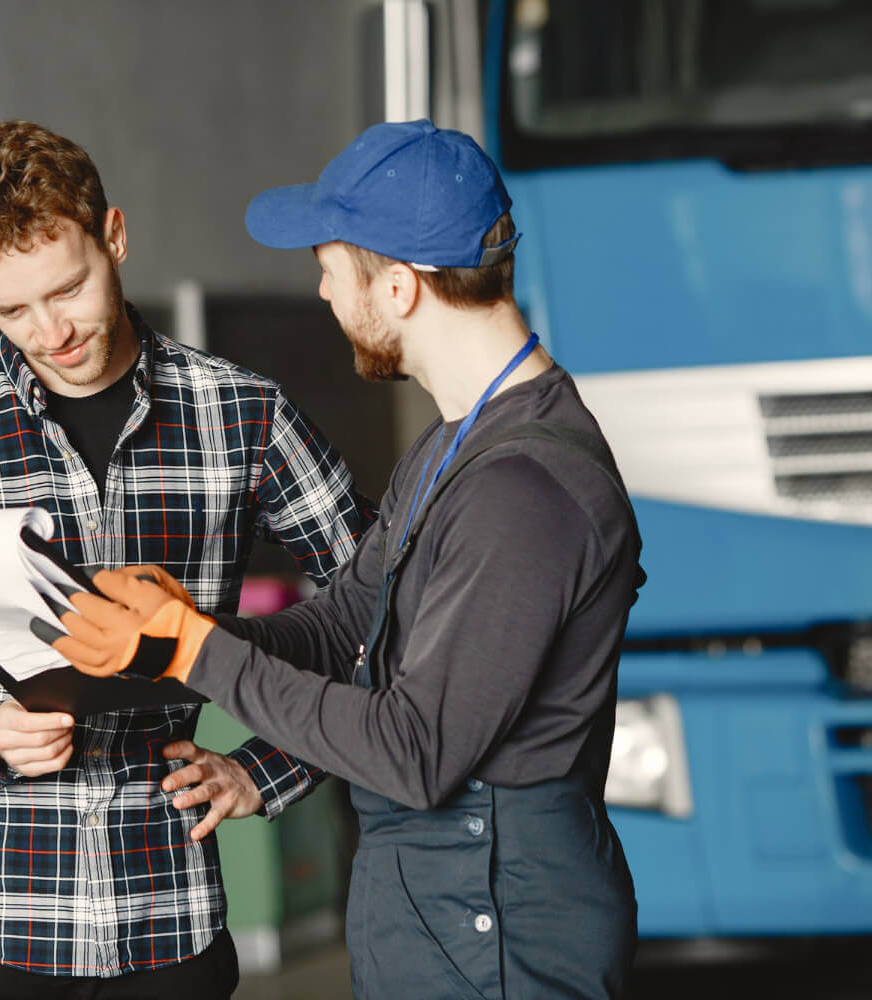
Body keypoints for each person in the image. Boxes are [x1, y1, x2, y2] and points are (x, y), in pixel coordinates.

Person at [48, 119, 644, 999]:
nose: (323, 292)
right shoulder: (455, 447)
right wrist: (184, 625)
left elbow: (416, 749)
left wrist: (195, 654)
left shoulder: (524, 489)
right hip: (444, 913)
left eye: (331, 264)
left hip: (502, 931)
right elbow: (342, 624)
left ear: (400, 286)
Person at [0, 117, 375, 999]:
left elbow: (381, 612)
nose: (50, 332)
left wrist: (265, 771)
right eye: (9, 309)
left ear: (113, 237)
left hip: (164, 926)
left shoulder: (243, 415)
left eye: (68, 288)